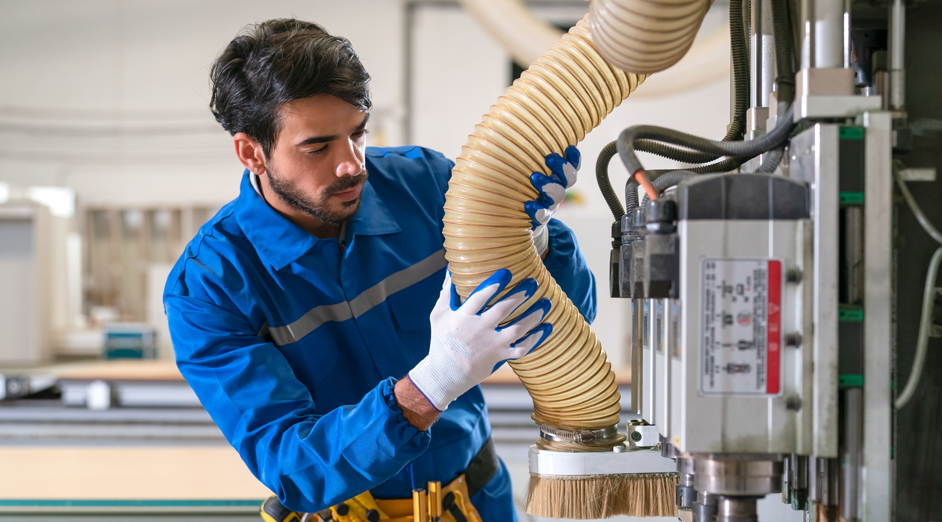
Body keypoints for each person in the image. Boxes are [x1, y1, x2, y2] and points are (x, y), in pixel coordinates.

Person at [163, 18, 596, 521]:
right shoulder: (210, 287)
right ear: (251, 152)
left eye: (358, 133)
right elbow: (292, 465)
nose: (351, 164)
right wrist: (435, 382)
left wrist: (531, 239)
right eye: (318, 147)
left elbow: (568, 322)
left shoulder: (429, 186)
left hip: (477, 503)